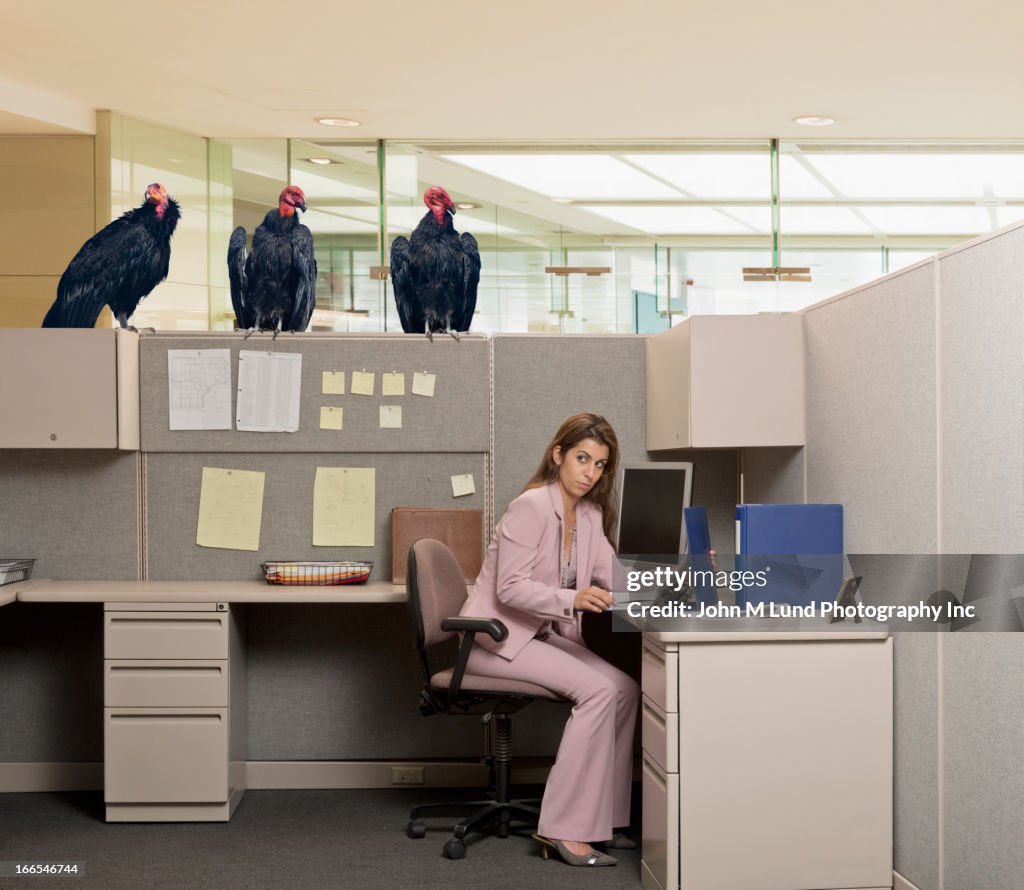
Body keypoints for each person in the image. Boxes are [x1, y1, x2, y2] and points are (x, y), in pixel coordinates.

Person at [460, 413, 639, 867]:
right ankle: (562, 828)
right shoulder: (532, 506)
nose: (589, 472)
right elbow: (510, 589)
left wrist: (679, 579)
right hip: (494, 641)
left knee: (624, 689)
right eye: (582, 458)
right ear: (558, 454)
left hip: (536, 635)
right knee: (598, 691)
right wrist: (573, 598)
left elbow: (615, 576)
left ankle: (605, 820)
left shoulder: (591, 514)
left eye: (599, 464)